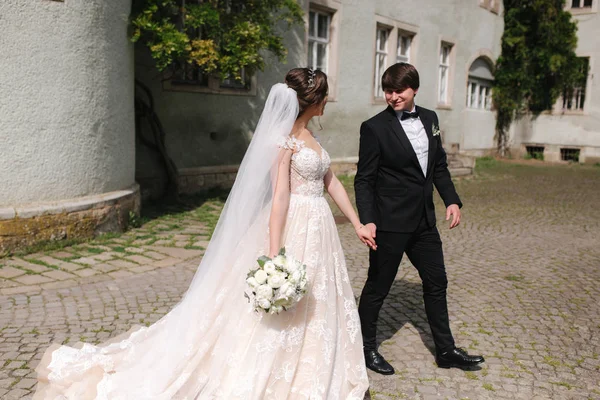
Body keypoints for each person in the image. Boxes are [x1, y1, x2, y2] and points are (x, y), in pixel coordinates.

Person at [34, 68, 373, 399]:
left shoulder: (315, 138)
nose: (327, 101)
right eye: (324, 96)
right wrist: (274, 253)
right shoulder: (283, 143)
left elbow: (330, 182)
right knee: (284, 300)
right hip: (294, 224)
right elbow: (280, 197)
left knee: (320, 296)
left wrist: (356, 222)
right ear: (313, 100)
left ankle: (315, 361)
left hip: (320, 228)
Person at [354, 63, 484, 375]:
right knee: (378, 287)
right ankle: (363, 348)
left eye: (399, 90)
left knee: (437, 281)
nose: (392, 96)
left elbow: (438, 165)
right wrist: (368, 220)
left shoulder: (430, 119)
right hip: (390, 223)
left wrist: (450, 200)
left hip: (424, 222)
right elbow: (364, 180)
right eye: (388, 90)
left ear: (414, 89)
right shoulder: (373, 128)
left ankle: (446, 350)